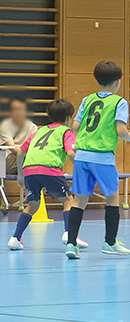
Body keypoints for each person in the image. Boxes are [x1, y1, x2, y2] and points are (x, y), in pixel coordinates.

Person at [65, 61, 130, 260]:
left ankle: (71, 244)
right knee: (112, 198)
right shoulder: (119, 102)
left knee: (79, 200)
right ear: (118, 82)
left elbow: (75, 126)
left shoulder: (87, 99)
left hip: (81, 156)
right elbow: (121, 130)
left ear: (97, 80)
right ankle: (110, 243)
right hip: (102, 157)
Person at [7, 99, 88, 250]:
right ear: (69, 118)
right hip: (49, 169)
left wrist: (20, 175)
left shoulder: (39, 131)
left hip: (29, 170)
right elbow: (71, 153)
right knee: (68, 200)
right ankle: (69, 234)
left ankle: (15, 238)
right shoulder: (66, 132)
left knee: (33, 204)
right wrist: (82, 170)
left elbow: (20, 152)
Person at [0, 97, 37, 175]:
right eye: (15, 109)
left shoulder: (32, 127)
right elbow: (11, 146)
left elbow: (34, 147)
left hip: (27, 157)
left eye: (21, 109)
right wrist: (25, 152)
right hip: (10, 160)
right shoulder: (4, 125)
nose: (18, 112)